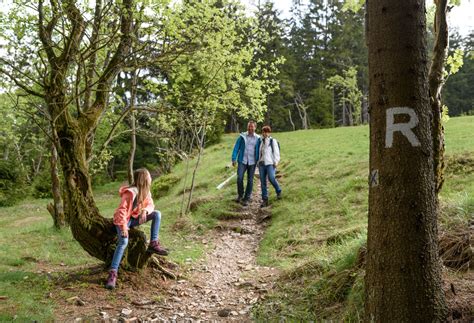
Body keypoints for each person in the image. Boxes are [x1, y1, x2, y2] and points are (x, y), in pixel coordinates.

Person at [105, 168, 168, 290]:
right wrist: (123, 226)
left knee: (157, 214)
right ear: (144, 179)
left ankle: (153, 243)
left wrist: (145, 210)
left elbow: (150, 204)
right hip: (122, 220)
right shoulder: (130, 193)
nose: (151, 179)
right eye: (149, 177)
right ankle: (112, 274)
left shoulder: (146, 191)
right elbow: (122, 211)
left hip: (134, 219)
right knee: (123, 242)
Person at [231, 121, 260, 206]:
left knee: (250, 180)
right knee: (239, 177)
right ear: (247, 127)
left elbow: (260, 150)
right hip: (242, 161)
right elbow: (236, 147)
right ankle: (240, 195)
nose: (250, 128)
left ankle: (247, 198)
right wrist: (233, 158)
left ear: (255, 128)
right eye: (249, 126)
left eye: (252, 127)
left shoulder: (258, 138)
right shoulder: (242, 136)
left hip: (252, 162)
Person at [256, 125, 282, 208]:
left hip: (270, 163)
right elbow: (258, 152)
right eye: (263, 132)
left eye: (266, 132)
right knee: (263, 182)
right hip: (261, 164)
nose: (265, 133)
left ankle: (278, 191)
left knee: (271, 178)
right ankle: (265, 200)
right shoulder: (260, 141)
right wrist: (257, 162)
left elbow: (276, 152)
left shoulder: (272, 141)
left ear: (269, 132)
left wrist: (276, 162)